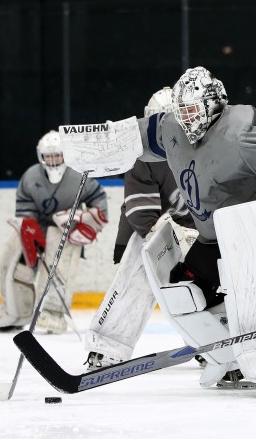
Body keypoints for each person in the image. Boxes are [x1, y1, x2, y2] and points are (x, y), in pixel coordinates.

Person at [66, 66, 256, 394]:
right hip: (217, 231)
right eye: (181, 113)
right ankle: (229, 358)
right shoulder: (172, 128)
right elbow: (135, 136)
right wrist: (96, 146)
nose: (187, 120)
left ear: (213, 104)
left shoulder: (240, 135)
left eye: (193, 110)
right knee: (185, 293)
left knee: (250, 284)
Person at [84, 87, 198, 369]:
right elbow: (142, 216)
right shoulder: (142, 158)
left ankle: (219, 346)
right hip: (157, 232)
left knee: (212, 281)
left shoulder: (202, 151)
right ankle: (107, 345)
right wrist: (178, 236)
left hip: (196, 234)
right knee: (142, 265)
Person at [0, 131, 108, 333]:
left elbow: (99, 204)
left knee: (60, 259)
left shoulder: (79, 174)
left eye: (57, 155)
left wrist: (82, 219)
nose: (53, 160)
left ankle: (53, 312)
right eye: (48, 156)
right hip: (37, 228)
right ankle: (16, 310)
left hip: (65, 230)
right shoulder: (31, 176)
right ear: (40, 156)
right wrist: (30, 234)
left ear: (65, 155)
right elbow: (25, 210)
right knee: (13, 255)